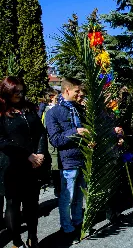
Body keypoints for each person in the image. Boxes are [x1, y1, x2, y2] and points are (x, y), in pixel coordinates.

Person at [0, 76, 49, 248]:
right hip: (12, 165)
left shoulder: (28, 108)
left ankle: (32, 237)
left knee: (32, 204)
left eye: (22, 91)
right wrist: (27, 155)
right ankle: (16, 241)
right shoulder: (1, 111)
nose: (20, 95)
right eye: (16, 92)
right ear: (7, 91)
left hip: (33, 164)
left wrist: (41, 153)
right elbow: (2, 140)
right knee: (13, 204)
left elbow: (41, 132)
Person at [45, 77, 87, 241]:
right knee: (67, 196)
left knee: (78, 195)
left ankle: (78, 221)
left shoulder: (79, 110)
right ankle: (66, 226)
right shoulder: (53, 112)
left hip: (82, 159)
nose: (80, 94)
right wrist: (76, 132)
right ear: (67, 90)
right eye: (77, 91)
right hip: (68, 161)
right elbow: (55, 139)